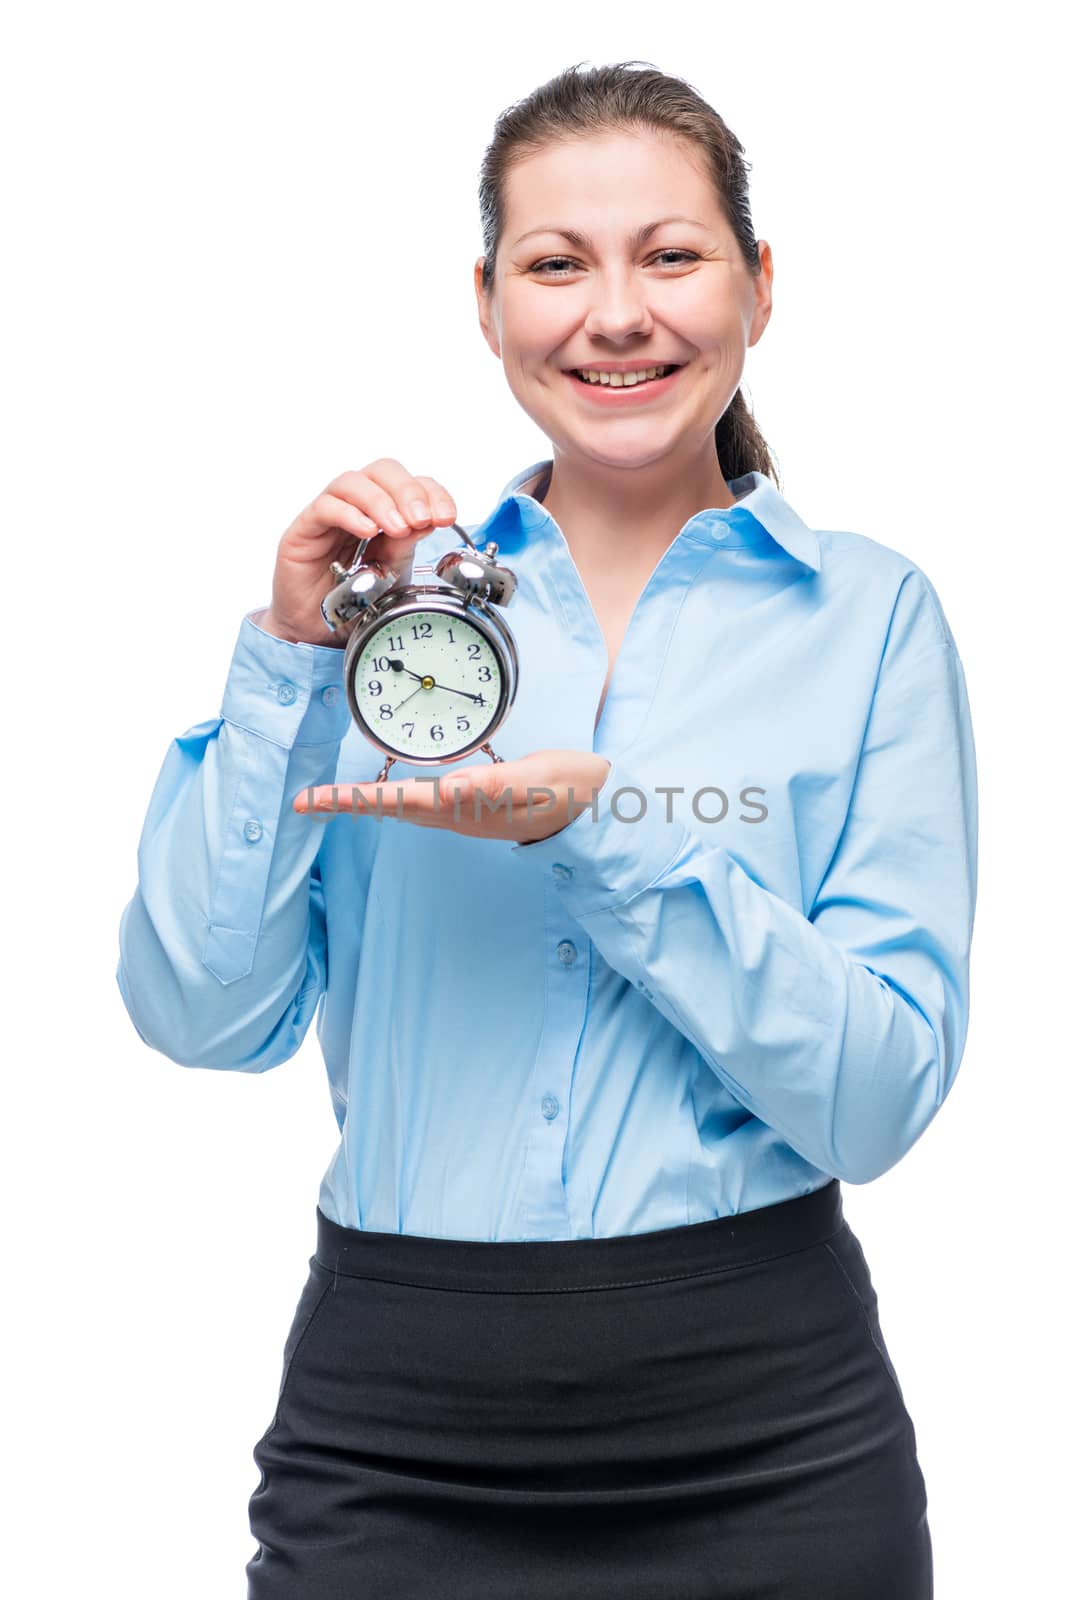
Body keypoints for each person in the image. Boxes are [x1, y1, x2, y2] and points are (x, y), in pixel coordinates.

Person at [115, 60, 978, 1600]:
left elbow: (878, 1102)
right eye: (557, 264)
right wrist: (290, 661)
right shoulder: (395, 624)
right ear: (489, 299)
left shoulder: (872, 622)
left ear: (760, 286)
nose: (616, 314)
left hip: (768, 1431)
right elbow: (200, 1014)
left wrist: (608, 834)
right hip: (394, 1427)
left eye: (671, 254)